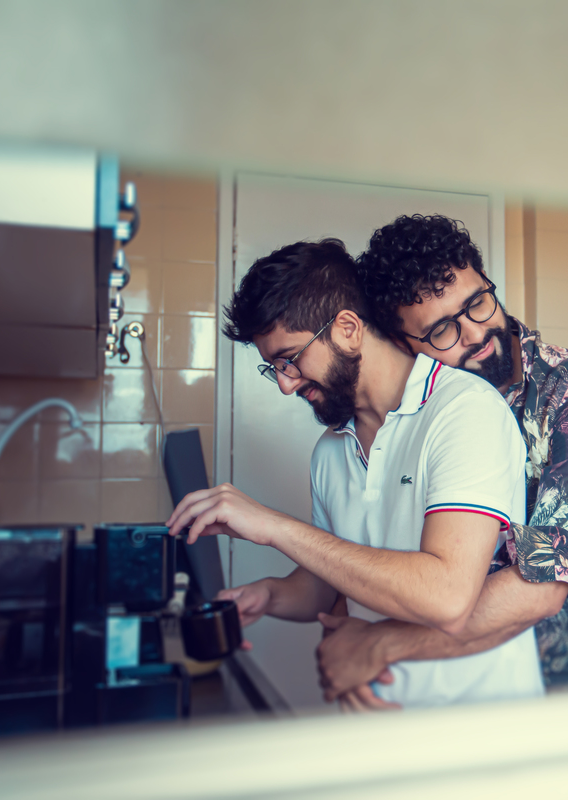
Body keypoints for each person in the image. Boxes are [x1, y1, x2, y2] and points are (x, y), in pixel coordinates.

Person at [165, 238, 544, 710]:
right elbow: (330, 579)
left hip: (478, 729)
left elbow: (446, 597)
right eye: (273, 368)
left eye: (289, 359)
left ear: (347, 329)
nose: (284, 384)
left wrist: (274, 526)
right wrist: (269, 595)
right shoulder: (330, 450)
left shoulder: (464, 410)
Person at [315, 214, 568, 709]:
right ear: (404, 344)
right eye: (442, 330)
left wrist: (377, 644)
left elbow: (545, 583)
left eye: (476, 303)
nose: (474, 333)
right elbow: (372, 546)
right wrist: (348, 640)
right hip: (461, 680)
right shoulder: (408, 416)